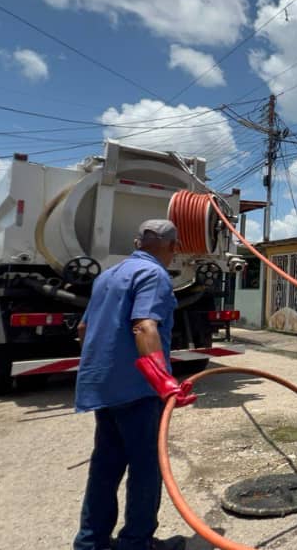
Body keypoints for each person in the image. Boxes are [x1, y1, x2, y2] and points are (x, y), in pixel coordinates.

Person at [73, 220, 197, 550]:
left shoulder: (108, 275)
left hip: (104, 388)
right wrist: (164, 383)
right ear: (173, 248)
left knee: (106, 466)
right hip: (138, 390)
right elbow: (144, 327)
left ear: (137, 241)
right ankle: (136, 542)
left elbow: (85, 329)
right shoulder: (154, 275)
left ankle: (91, 542)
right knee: (145, 468)